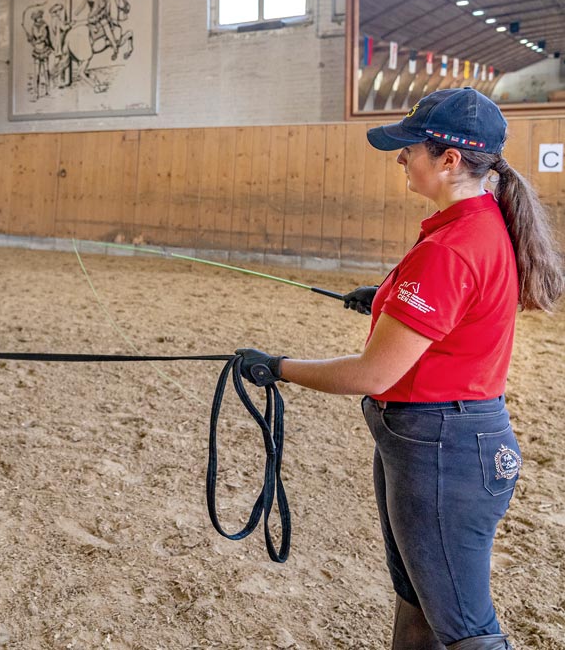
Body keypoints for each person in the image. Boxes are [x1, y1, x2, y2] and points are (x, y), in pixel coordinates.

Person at [235, 87, 564, 649]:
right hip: (438, 439)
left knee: (467, 629)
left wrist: (279, 367)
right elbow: (452, 316)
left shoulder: (452, 247)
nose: (401, 158)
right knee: (420, 600)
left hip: (440, 444)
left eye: (411, 147)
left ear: (449, 160)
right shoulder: (477, 225)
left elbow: (372, 375)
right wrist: (388, 297)